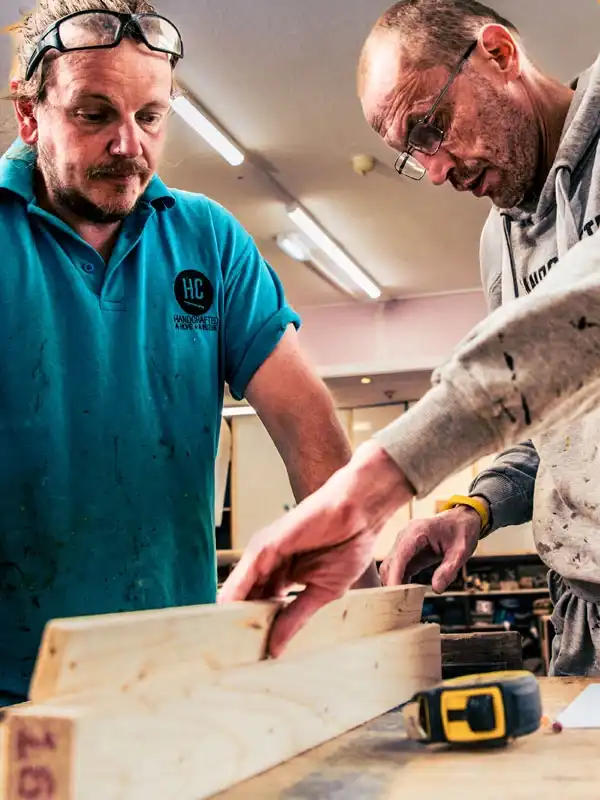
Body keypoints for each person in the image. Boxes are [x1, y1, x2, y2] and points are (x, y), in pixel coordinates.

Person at [0, 0, 369, 706]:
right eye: (94, 114)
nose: (128, 145)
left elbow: (306, 428)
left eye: (150, 116)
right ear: (30, 113)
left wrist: (364, 605)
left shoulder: (208, 240)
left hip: (175, 680)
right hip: (12, 690)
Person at [220, 0, 600, 677]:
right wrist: (472, 509)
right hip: (582, 612)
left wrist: (368, 489)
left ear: (500, 55)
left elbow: (584, 319)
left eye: (431, 127)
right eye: (411, 152)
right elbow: (543, 424)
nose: (433, 169)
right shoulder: (499, 243)